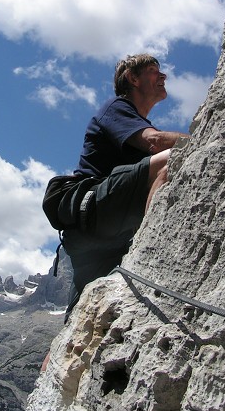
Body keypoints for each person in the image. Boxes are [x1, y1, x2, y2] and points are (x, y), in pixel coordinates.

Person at [59, 53, 189, 320]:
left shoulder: (131, 120)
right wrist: (210, 133)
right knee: (173, 160)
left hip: (96, 235)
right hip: (95, 205)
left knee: (78, 318)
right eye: (154, 70)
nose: (163, 76)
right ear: (132, 78)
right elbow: (155, 142)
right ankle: (151, 244)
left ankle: (54, 360)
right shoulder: (117, 108)